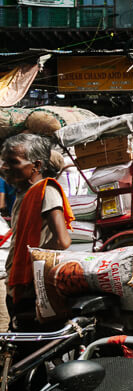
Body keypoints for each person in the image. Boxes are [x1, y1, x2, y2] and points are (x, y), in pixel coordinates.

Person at [1, 134, 73, 324]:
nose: (4, 167)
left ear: (37, 166)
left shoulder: (46, 191)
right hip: (19, 284)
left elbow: (62, 241)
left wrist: (31, 261)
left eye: (12, 162)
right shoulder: (22, 193)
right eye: (4, 162)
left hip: (34, 287)